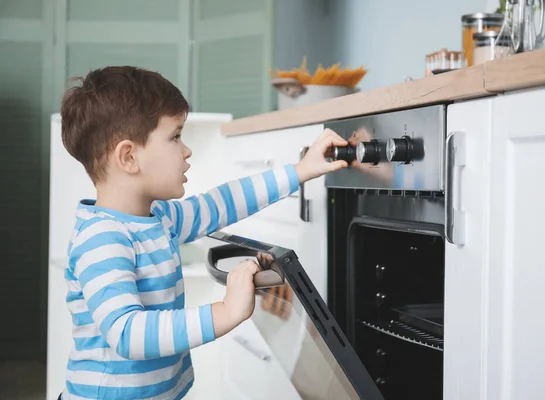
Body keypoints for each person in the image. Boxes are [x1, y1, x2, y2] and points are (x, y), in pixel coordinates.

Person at [57, 66, 348, 400]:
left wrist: (302, 170)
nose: (186, 150)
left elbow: (221, 203)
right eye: (175, 136)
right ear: (129, 156)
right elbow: (127, 333)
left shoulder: (158, 219)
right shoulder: (102, 237)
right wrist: (225, 312)